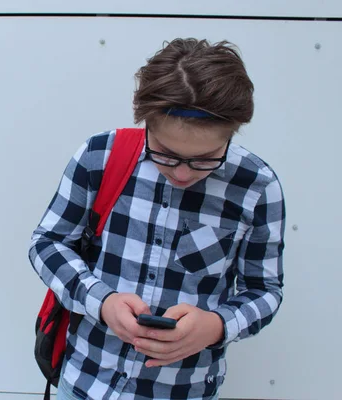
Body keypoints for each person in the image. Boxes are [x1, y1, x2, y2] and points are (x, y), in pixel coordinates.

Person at [28, 38, 285, 400]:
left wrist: (215, 326)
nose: (182, 174)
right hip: (85, 381)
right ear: (144, 120)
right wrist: (101, 301)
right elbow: (47, 243)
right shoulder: (101, 156)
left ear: (234, 130)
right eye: (165, 153)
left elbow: (265, 290)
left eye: (205, 158)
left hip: (183, 390)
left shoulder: (256, 185)